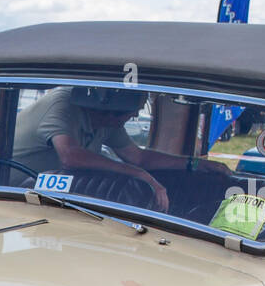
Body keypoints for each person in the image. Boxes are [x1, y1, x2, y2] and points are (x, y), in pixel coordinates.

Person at [13, 86, 229, 214]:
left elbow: (138, 157)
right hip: (9, 193)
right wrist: (137, 174)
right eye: (131, 111)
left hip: (49, 199)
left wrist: (195, 164)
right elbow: (71, 156)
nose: (134, 116)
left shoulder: (106, 123)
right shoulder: (61, 104)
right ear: (109, 110)